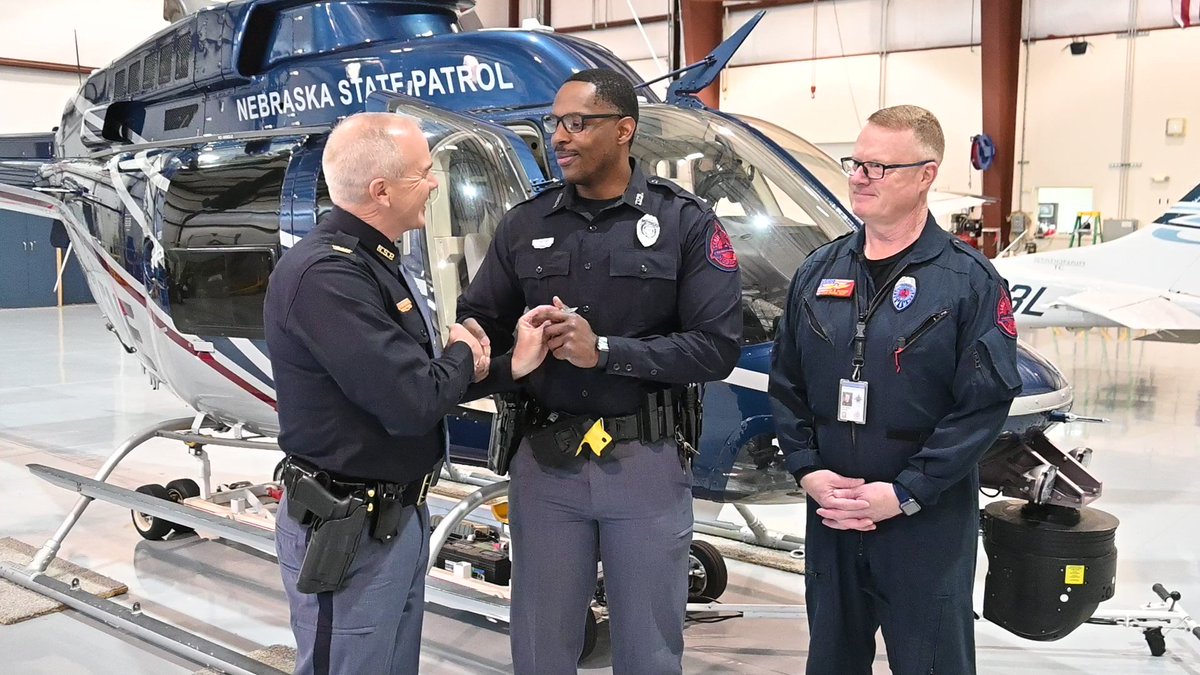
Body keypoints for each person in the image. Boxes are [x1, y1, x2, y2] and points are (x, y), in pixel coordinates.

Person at [456, 68, 743, 674]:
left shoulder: (684, 222)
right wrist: (492, 354)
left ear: (623, 130)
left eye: (577, 123)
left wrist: (606, 352)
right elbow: (478, 325)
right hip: (545, 462)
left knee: (649, 651)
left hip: (645, 462)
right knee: (541, 648)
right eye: (554, 123)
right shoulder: (525, 224)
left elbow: (716, 348)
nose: (558, 137)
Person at [263, 112, 548, 675]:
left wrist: (509, 366)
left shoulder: (372, 262)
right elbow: (411, 401)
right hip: (348, 528)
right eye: (423, 173)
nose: (435, 183)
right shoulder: (327, 277)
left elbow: (415, 380)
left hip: (393, 519)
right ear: (381, 191)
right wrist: (463, 349)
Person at [768, 105, 1022, 674]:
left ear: (926, 174)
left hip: (925, 523)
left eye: (878, 167)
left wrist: (907, 491)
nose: (860, 177)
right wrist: (809, 471)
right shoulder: (817, 272)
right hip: (834, 513)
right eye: (856, 163)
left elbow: (982, 403)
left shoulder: (967, 281)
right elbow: (786, 383)